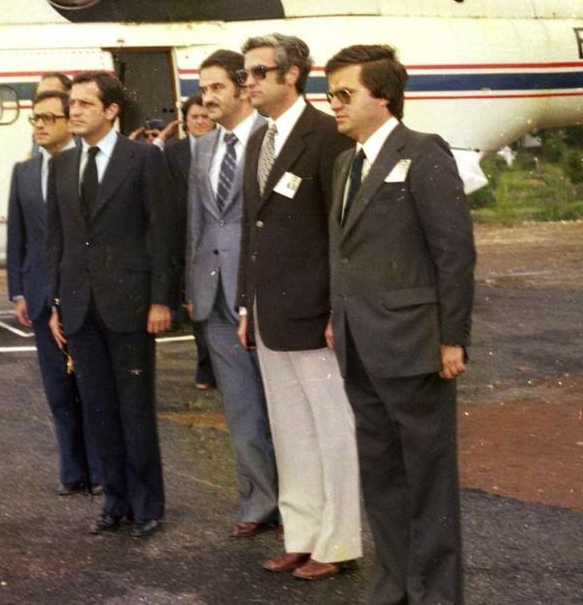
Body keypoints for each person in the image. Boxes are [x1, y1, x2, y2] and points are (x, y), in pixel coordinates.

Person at [324, 44, 475, 604]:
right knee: (382, 473)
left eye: (345, 93)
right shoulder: (345, 163)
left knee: (428, 478)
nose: (334, 104)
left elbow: (454, 253)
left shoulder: (424, 152)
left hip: (413, 344)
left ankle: (436, 594)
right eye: (331, 94)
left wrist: (453, 337)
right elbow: (343, 251)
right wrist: (337, 316)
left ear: (383, 96)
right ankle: (394, 585)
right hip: (359, 343)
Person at [235, 34, 362, 580]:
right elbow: (252, 230)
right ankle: (303, 535)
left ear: (292, 75)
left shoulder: (327, 137)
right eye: (245, 74)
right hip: (269, 314)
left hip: (314, 314)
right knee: (290, 433)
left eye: (258, 72)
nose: (248, 83)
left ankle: (338, 543)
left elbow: (341, 234)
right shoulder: (257, 140)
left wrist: (337, 309)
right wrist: (246, 306)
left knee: (333, 431)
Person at [45, 71, 177, 538]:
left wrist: (161, 300)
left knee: (135, 408)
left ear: (112, 110)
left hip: (131, 305)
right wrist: (57, 303)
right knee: (98, 408)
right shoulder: (62, 165)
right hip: (80, 306)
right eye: (72, 103)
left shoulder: (143, 159)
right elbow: (58, 240)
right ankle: (114, 503)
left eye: (84, 103)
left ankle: (147, 506)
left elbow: (162, 233)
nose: (74, 111)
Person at [185, 50, 280, 539]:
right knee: (241, 408)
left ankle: (298, 506)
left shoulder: (271, 140)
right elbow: (197, 222)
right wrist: (191, 286)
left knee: (283, 408)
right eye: (203, 89)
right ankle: (259, 503)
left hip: (263, 292)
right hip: (214, 294)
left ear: (244, 88)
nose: (207, 98)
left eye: (216, 87)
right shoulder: (202, 147)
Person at [7, 90, 102, 496]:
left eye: (49, 118)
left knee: (89, 385)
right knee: (57, 390)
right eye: (35, 118)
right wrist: (17, 291)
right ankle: (72, 471)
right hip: (38, 293)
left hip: (79, 294)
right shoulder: (24, 172)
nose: (40, 125)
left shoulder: (85, 166)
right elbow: (17, 236)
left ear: (68, 122)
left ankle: (100, 471)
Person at [163, 96, 218, 391]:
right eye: (194, 116)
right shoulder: (174, 152)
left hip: (216, 235)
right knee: (196, 305)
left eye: (205, 116)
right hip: (187, 239)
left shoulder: (223, 148)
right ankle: (205, 366)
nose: (200, 121)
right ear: (185, 120)